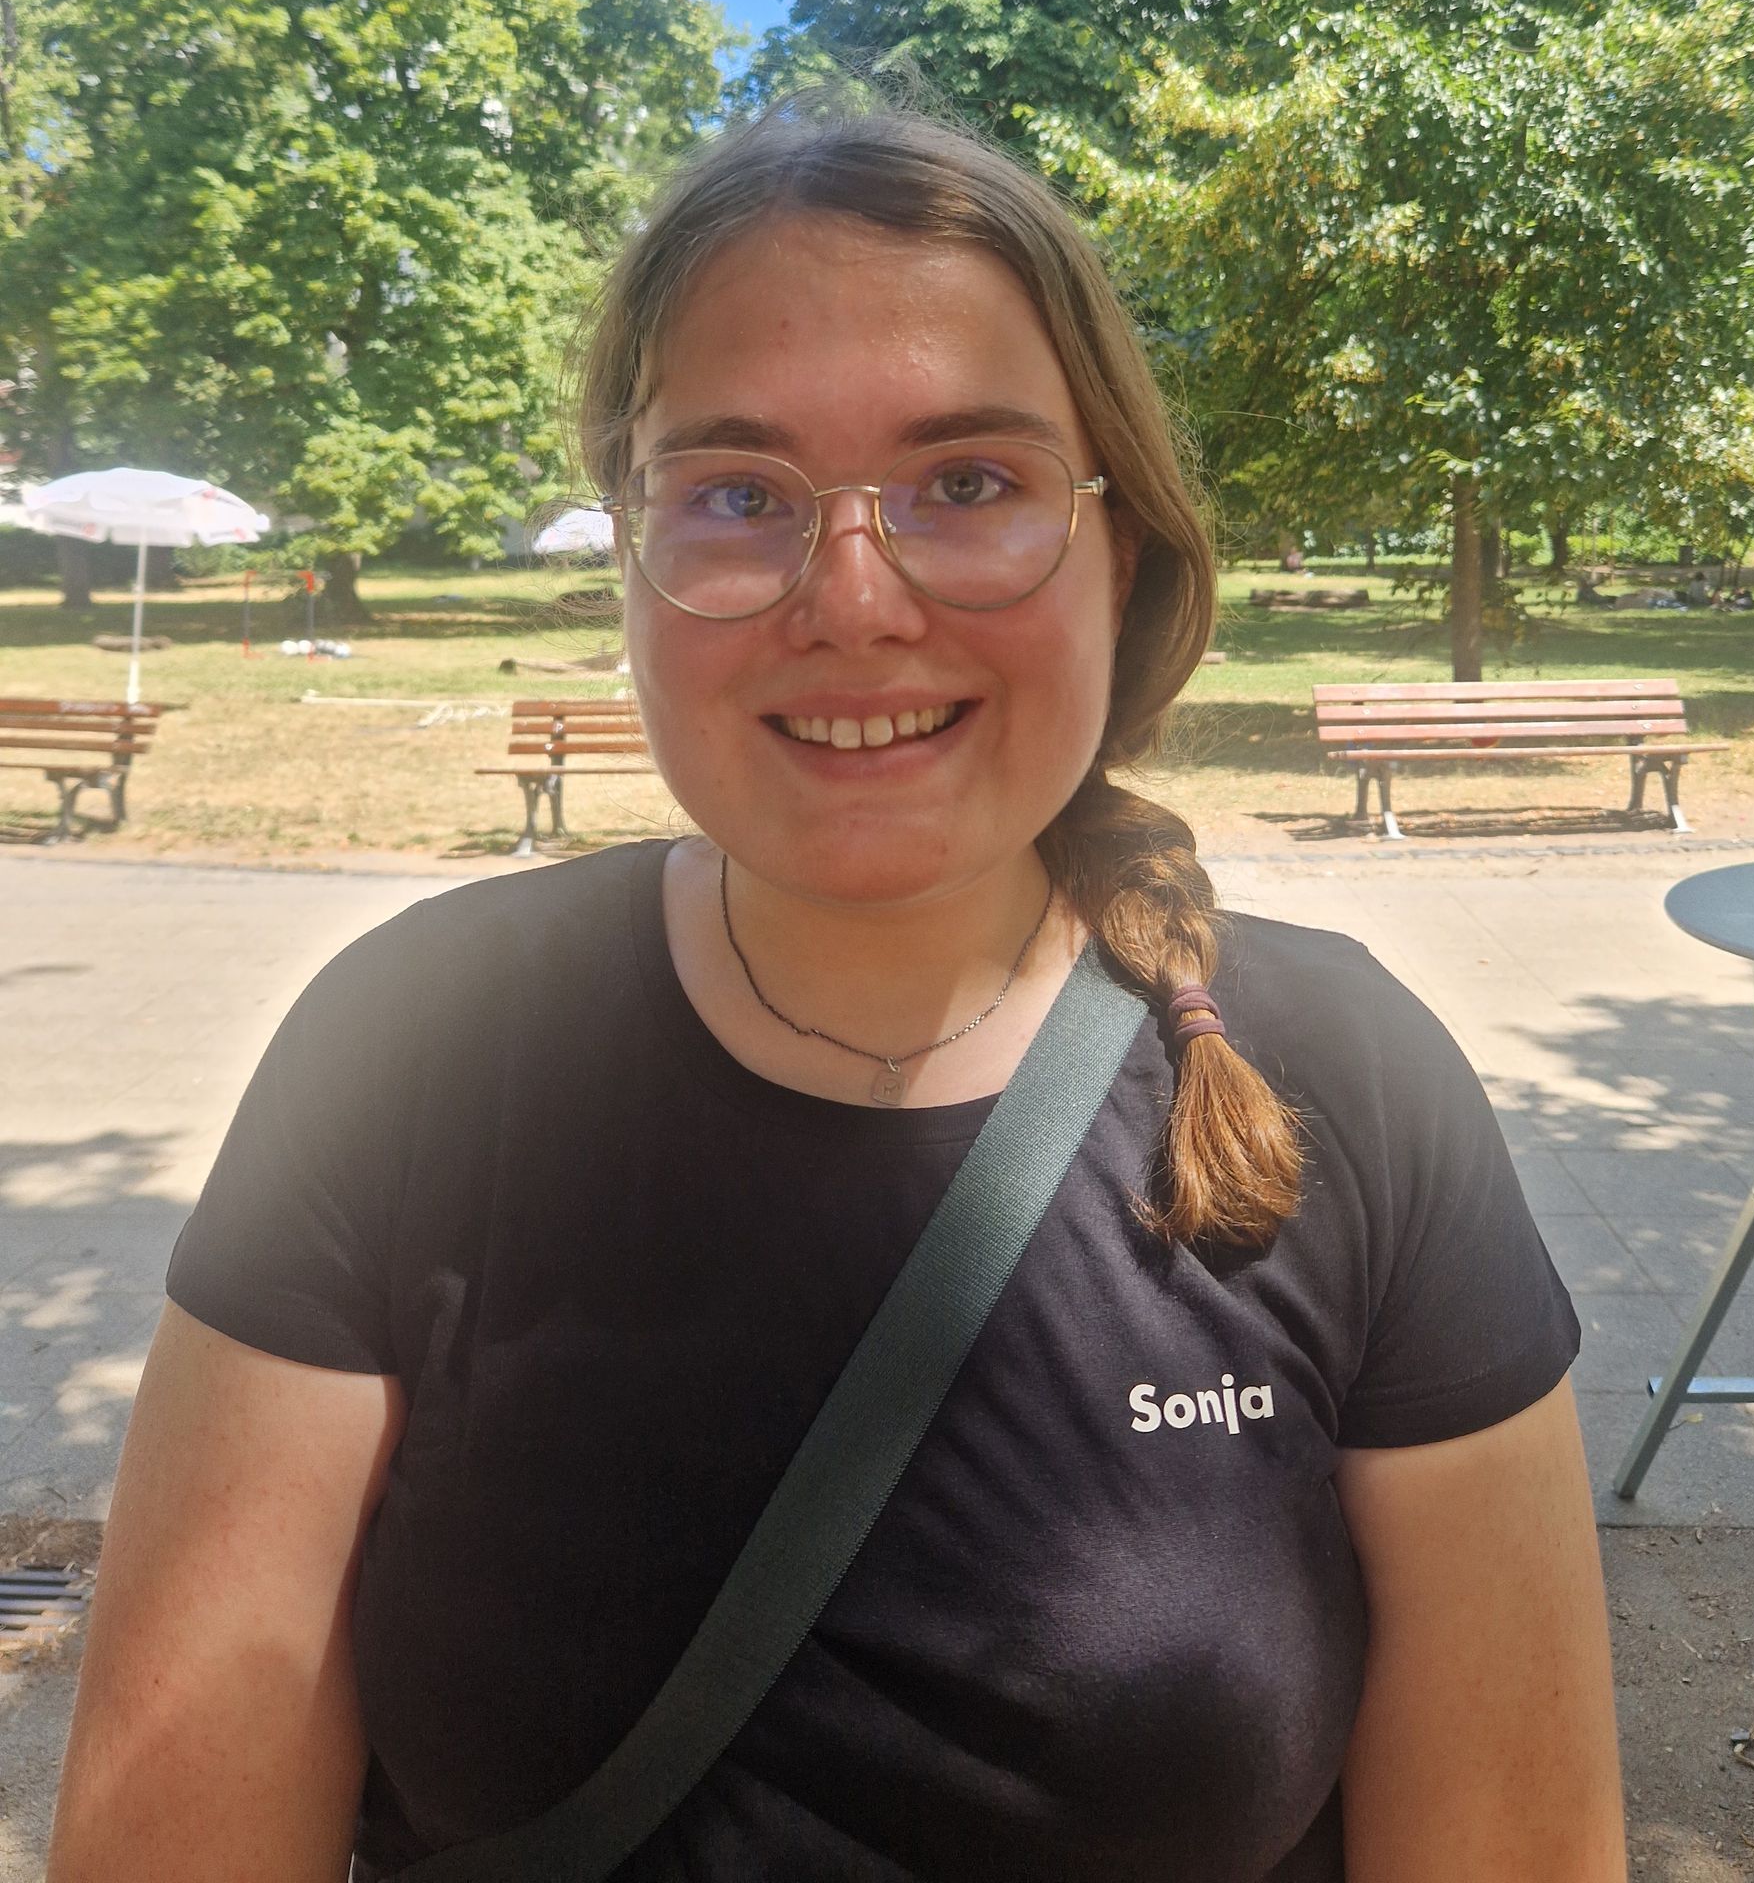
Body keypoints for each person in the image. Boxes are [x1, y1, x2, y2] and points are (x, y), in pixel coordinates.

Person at [49, 100, 1626, 1883]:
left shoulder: (1351, 1085)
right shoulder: (408, 1055)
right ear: (634, 558)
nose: (856, 602)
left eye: (970, 484)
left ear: (1122, 549)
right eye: (739, 496)